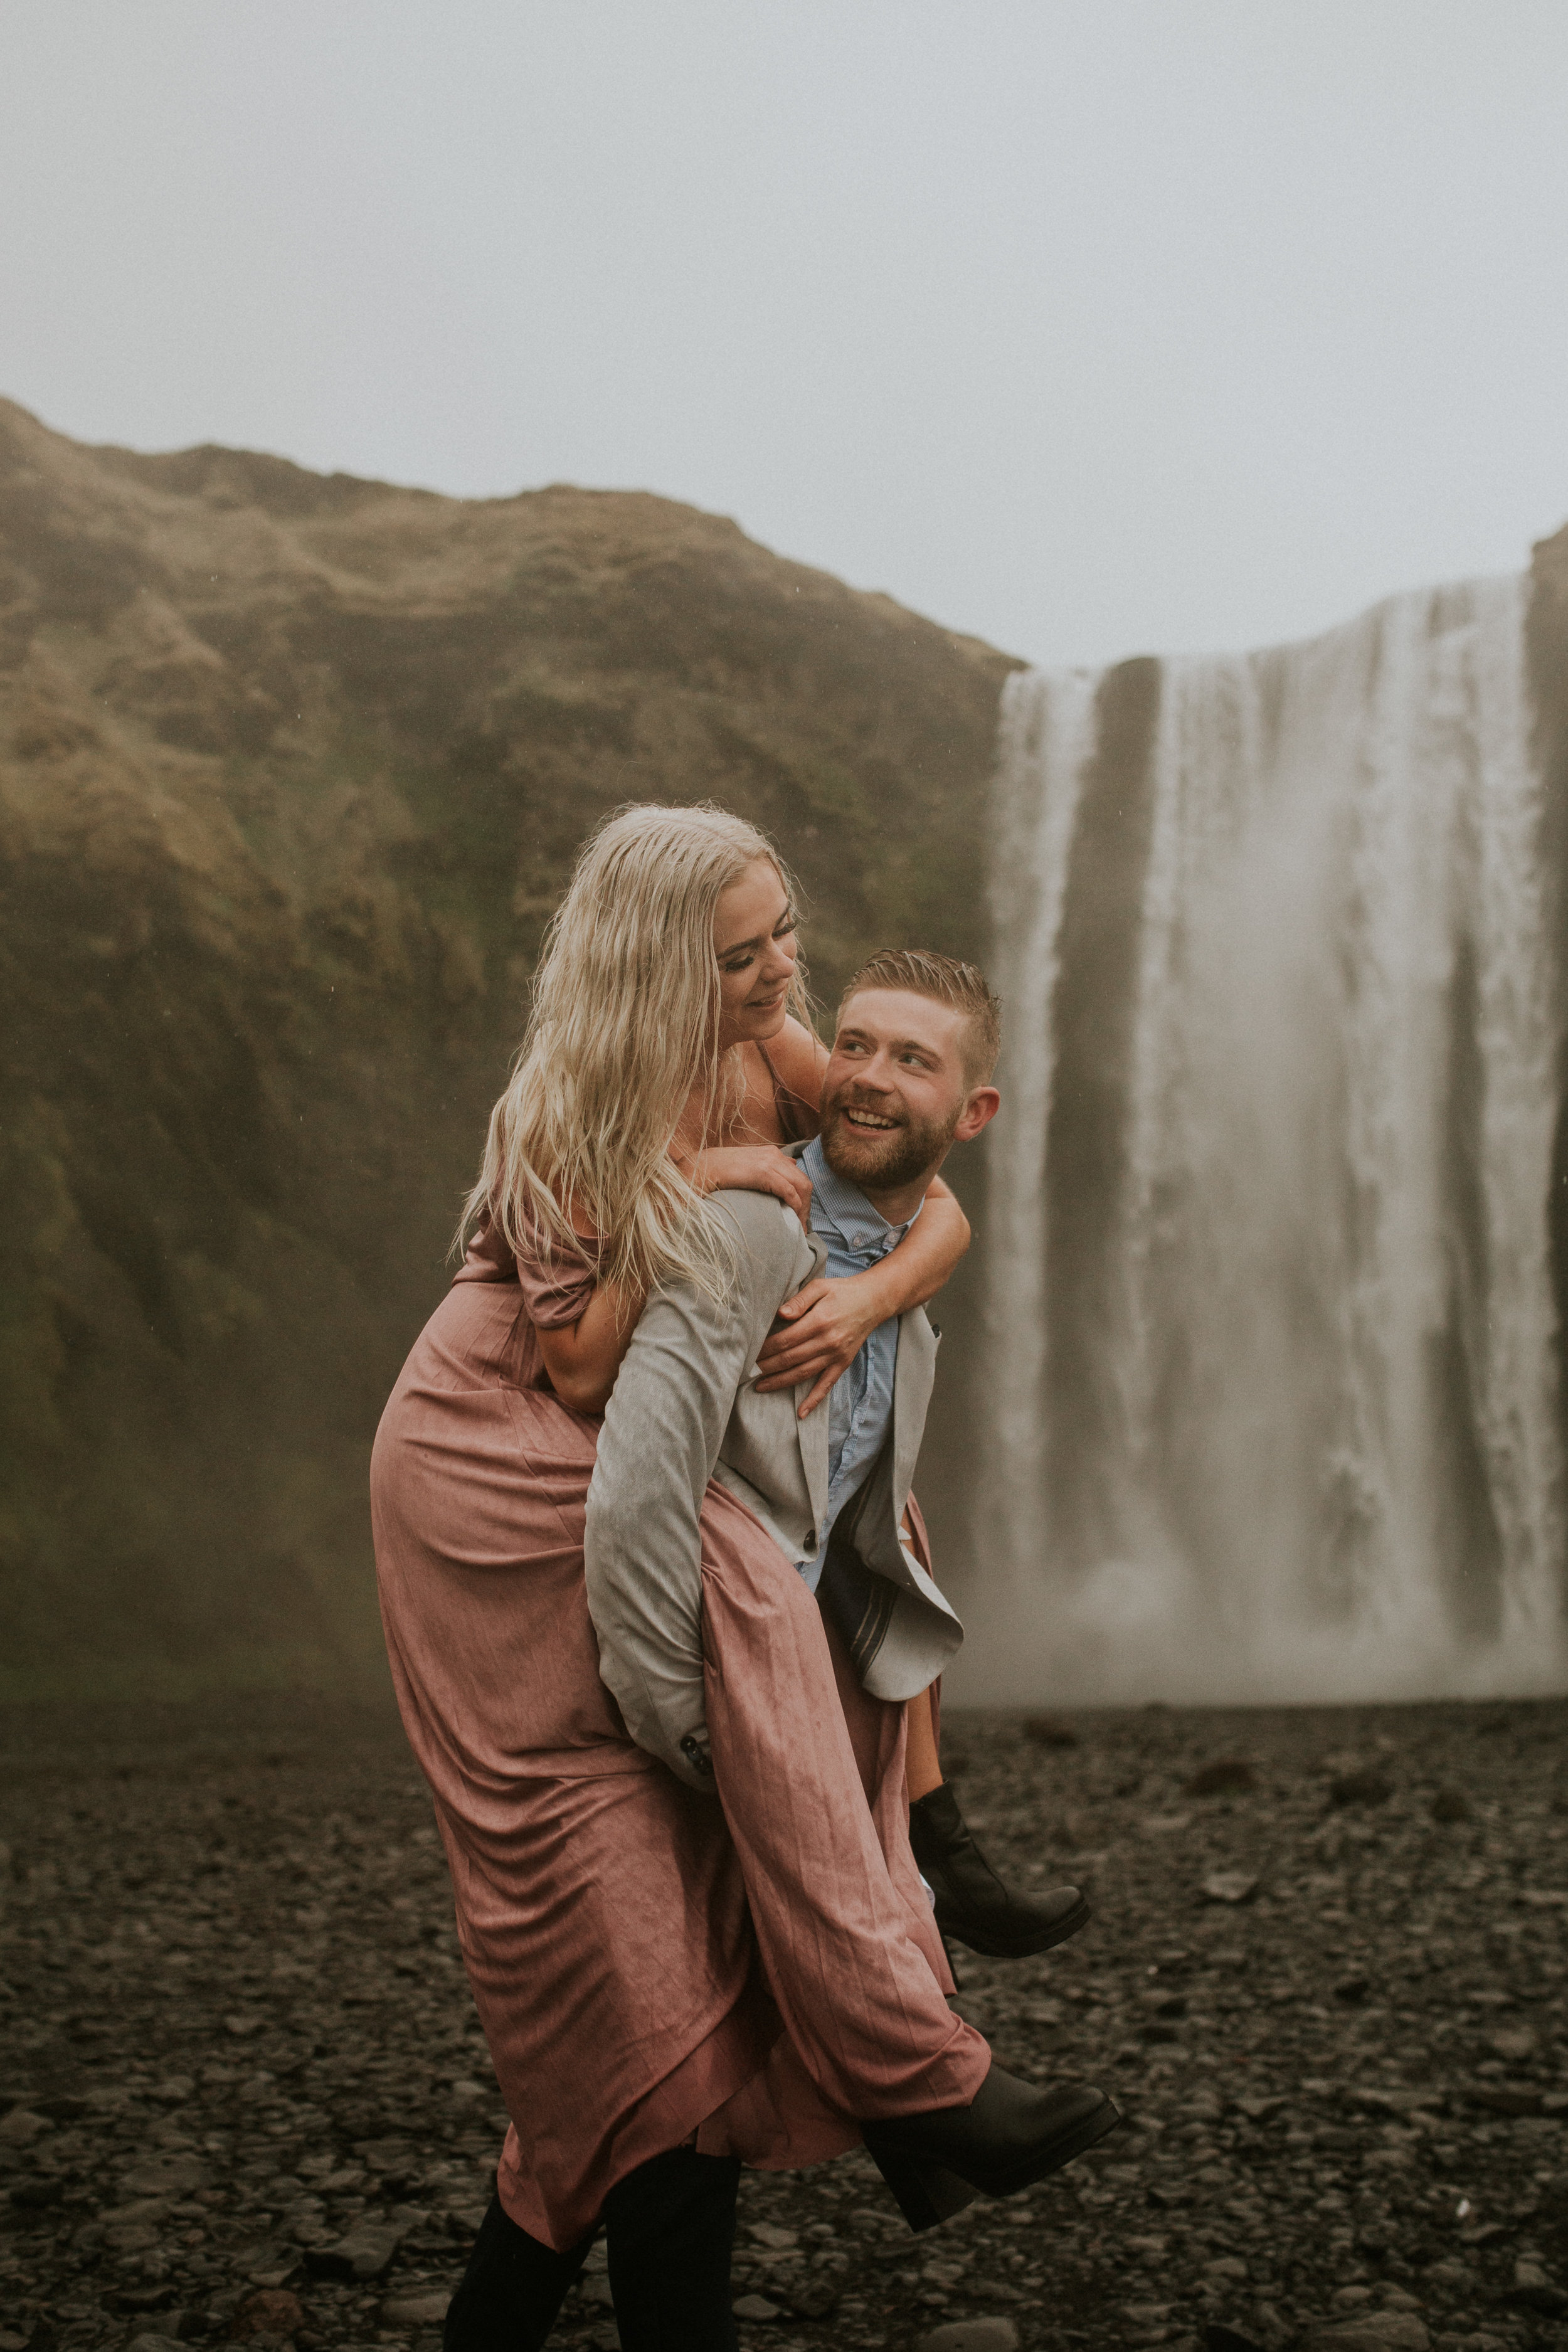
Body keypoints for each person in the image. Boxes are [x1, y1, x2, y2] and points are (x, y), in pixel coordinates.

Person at [369, 805, 1108, 2352]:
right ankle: (916, 2049)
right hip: (492, 1465)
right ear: (657, 965)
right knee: (731, 1668)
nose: (783, 969)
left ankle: (916, 1899)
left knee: (665, 1950)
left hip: (644, 1444)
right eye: (745, 951)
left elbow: (935, 1204)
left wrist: (866, 1302)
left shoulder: (771, 1036)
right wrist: (695, 1183)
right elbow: (573, 1365)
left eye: (784, 929)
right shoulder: (570, 1099)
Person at [585, 946, 1117, 2230]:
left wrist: (885, 1286)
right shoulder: (755, 1226)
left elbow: (859, 1469)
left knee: (865, 1883)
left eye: (911, 1059)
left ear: (974, 1112)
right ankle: (932, 2099)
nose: (866, 1077)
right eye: (857, 1048)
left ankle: (913, 2132)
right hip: (710, 1635)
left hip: (822, 1622)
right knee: (811, 1894)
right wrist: (678, 1701)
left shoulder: (895, 1246)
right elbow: (642, 1485)